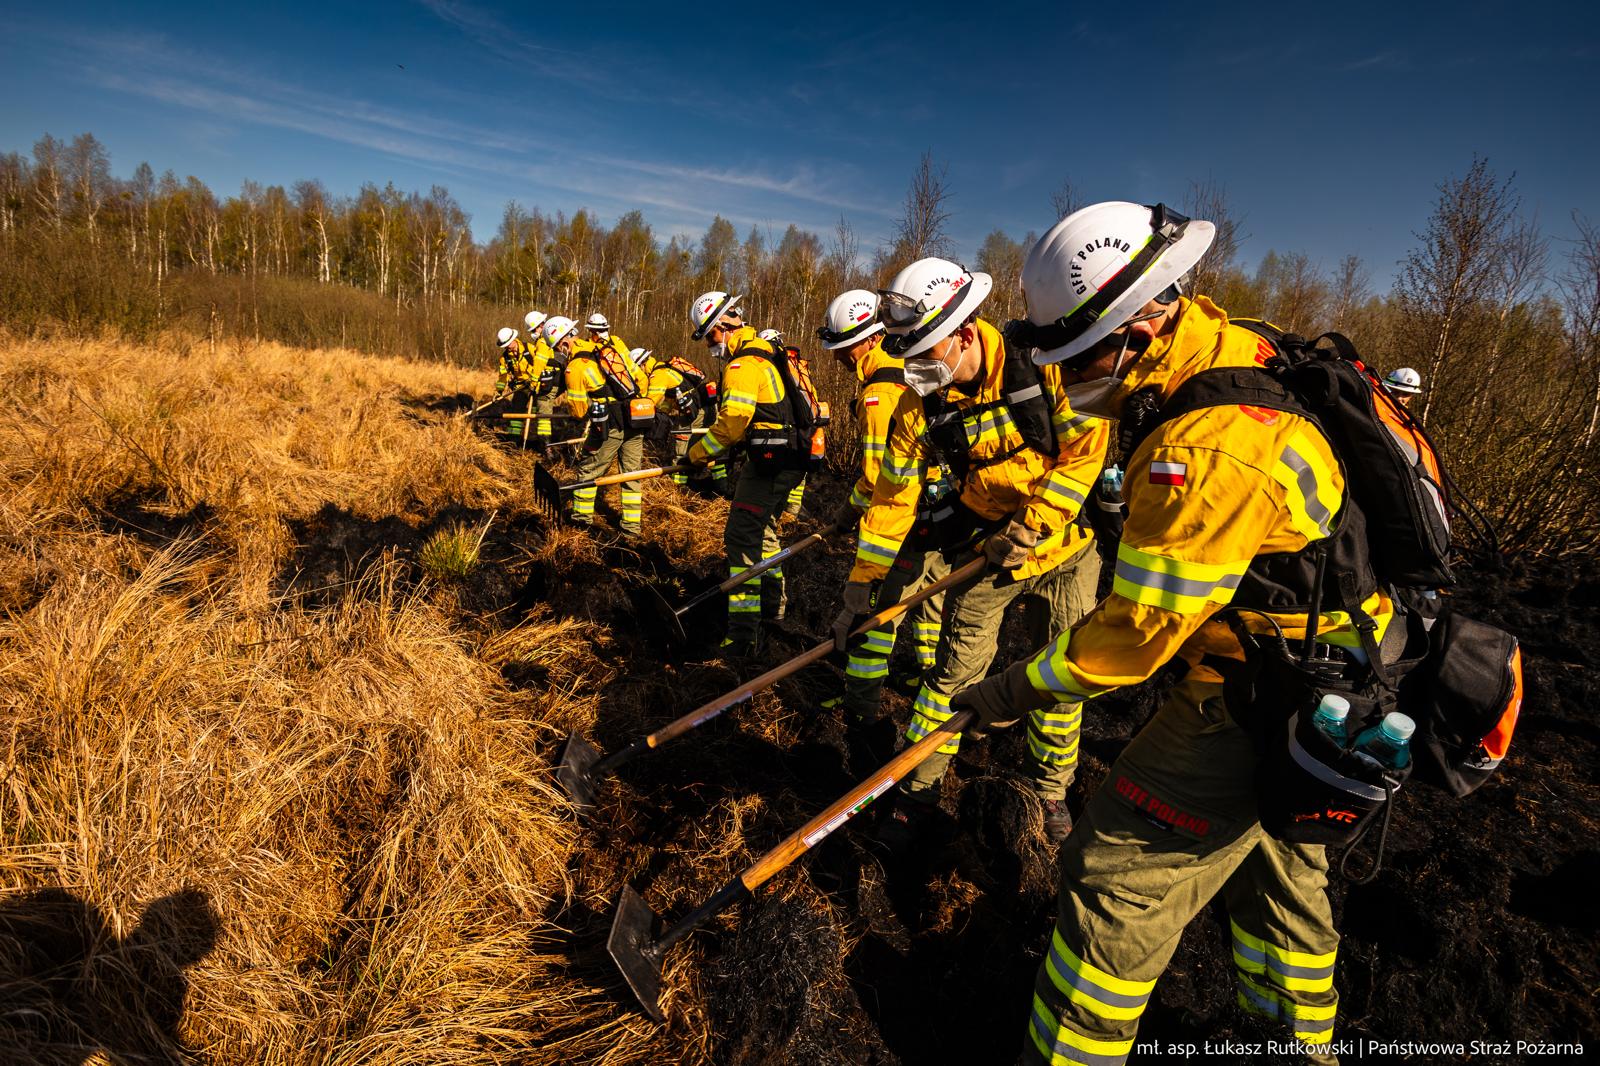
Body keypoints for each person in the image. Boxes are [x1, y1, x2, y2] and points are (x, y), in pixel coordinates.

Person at [956, 201, 1379, 1066]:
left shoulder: (1212, 440)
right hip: (1339, 680)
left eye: (1083, 357)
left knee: (1115, 878)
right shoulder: (1237, 351)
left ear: (1146, 323)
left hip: (1247, 692)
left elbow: (1136, 634)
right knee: (1281, 876)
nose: (1072, 380)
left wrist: (1009, 691)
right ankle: (1294, 1044)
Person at [839, 257, 1109, 846]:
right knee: (950, 679)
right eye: (907, 355)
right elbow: (894, 494)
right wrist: (863, 580)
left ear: (964, 334)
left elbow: (1084, 453)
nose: (915, 371)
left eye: (925, 355)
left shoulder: (1044, 367)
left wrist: (1033, 525)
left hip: (1065, 552)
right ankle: (917, 793)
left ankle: (1050, 790)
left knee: (1058, 676)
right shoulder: (918, 402)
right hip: (988, 556)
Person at [816, 288, 949, 725]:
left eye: (843, 348)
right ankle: (926, 674)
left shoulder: (878, 396)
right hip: (939, 513)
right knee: (932, 603)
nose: (838, 359)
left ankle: (861, 708)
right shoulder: (908, 372)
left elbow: (877, 479)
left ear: (870, 339)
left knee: (873, 616)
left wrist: (847, 515)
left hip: (899, 520)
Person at [685, 291, 825, 655]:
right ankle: (774, 607)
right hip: (793, 462)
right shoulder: (770, 353)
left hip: (768, 467)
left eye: (711, 336)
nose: (711, 345)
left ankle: (743, 635)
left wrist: (697, 456)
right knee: (765, 534)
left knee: (740, 541)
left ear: (723, 326)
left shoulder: (742, 365)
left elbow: (732, 424)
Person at [545, 315, 653, 539]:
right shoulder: (605, 347)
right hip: (636, 416)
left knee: (588, 470)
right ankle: (631, 530)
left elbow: (578, 411)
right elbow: (640, 379)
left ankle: (581, 521)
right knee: (631, 475)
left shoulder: (574, 367)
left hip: (610, 424)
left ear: (565, 343)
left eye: (557, 348)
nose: (559, 353)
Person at [639, 349, 726, 492]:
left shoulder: (658, 375)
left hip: (694, 412)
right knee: (712, 445)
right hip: (709, 407)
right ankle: (721, 486)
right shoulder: (667, 368)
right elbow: (668, 400)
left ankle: (678, 489)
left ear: (642, 365)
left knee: (681, 448)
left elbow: (650, 402)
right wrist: (664, 413)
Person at [491, 326, 538, 445]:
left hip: (535, 385)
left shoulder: (530, 349)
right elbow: (503, 376)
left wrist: (535, 380)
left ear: (514, 339)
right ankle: (513, 440)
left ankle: (534, 439)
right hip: (520, 387)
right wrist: (499, 391)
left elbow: (541, 365)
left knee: (536, 413)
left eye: (508, 344)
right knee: (516, 412)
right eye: (505, 345)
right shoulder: (504, 358)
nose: (507, 347)